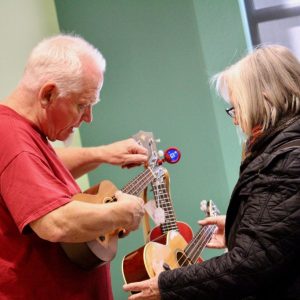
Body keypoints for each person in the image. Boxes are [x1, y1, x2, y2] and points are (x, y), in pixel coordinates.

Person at [123, 44, 300, 299]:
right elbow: (279, 236)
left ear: (264, 99)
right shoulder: (282, 151)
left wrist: (166, 285)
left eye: (236, 108)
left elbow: (249, 265)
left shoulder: (286, 159)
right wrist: (237, 228)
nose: (237, 120)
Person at [0, 34, 149, 299]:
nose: (88, 118)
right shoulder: (10, 136)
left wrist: (103, 154)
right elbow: (55, 222)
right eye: (82, 105)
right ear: (48, 94)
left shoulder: (25, 135)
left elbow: (46, 167)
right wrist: (123, 212)